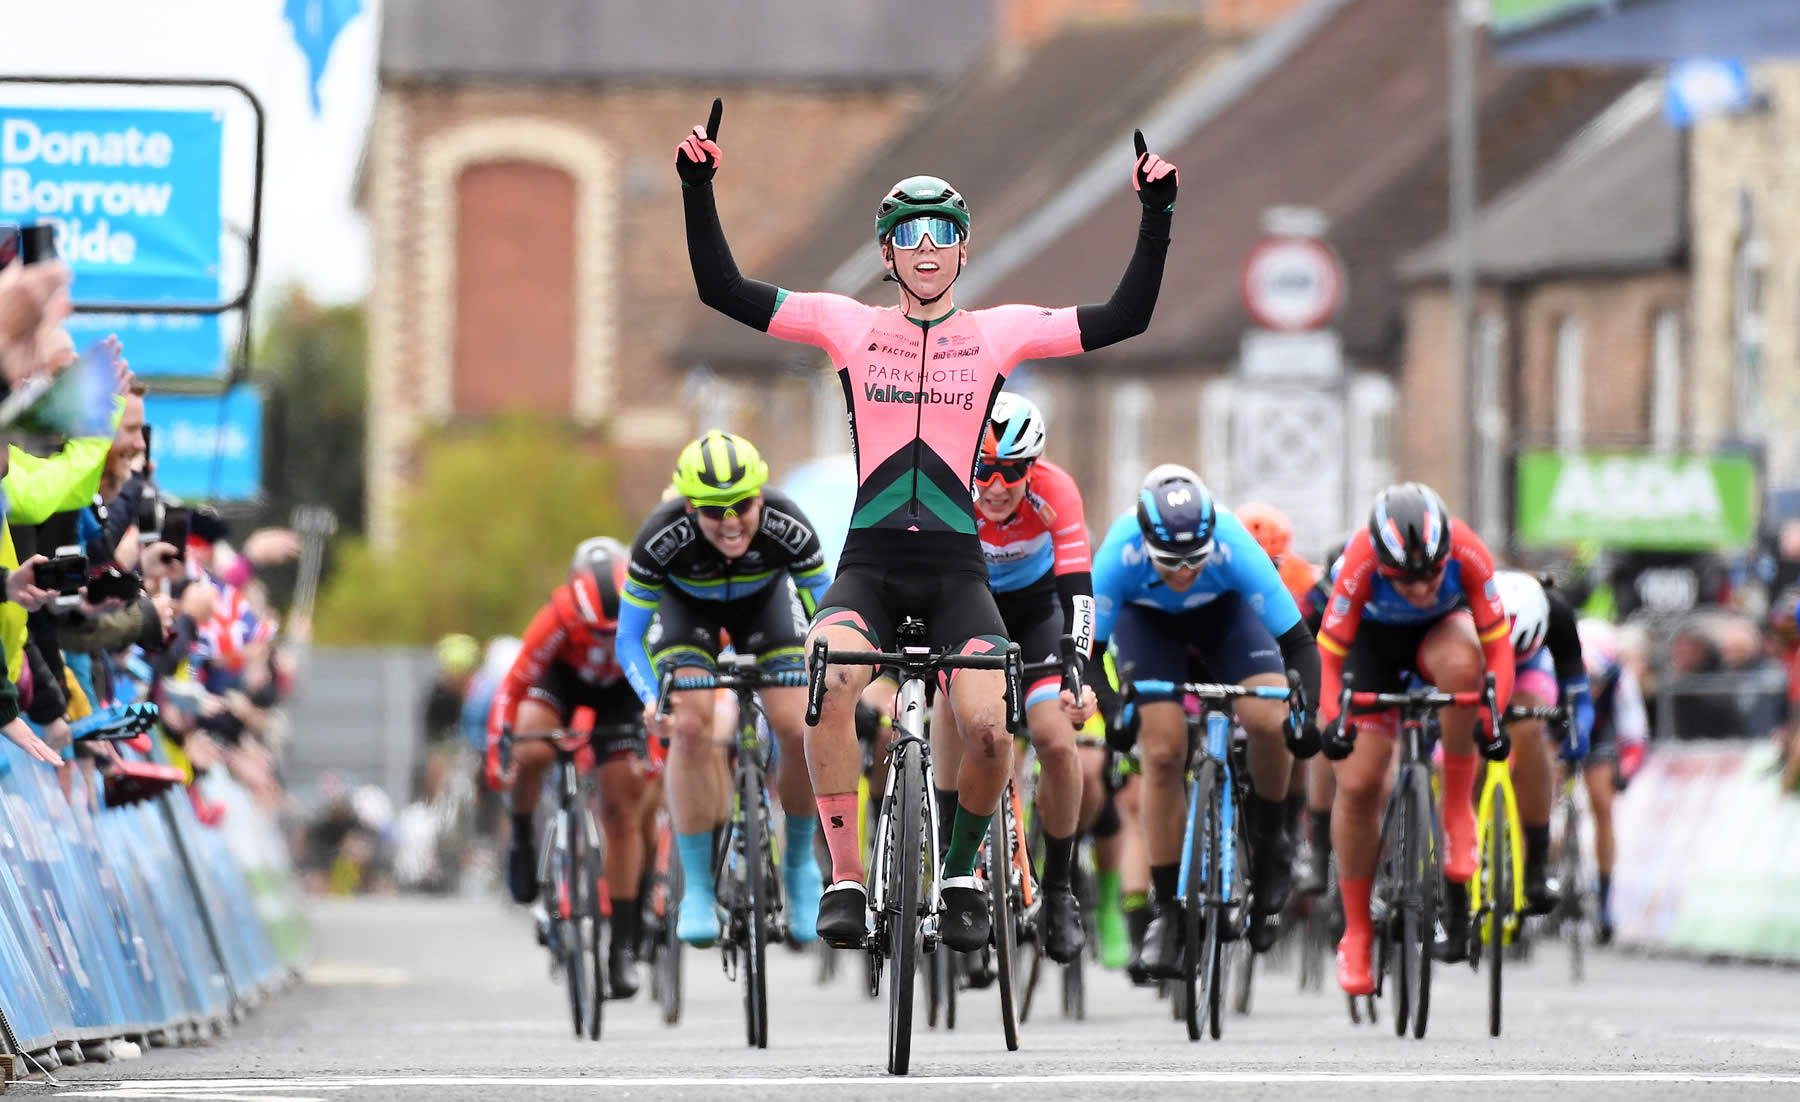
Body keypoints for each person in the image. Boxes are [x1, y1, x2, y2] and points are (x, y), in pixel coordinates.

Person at [678, 99, 1179, 951]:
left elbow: (1124, 316)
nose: (925, 250)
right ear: (886, 254)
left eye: (940, 233)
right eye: (908, 237)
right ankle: (840, 876)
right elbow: (723, 291)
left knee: (990, 728)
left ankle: (958, 869)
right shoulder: (847, 325)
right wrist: (698, 188)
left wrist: (1156, 214)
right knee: (824, 685)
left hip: (957, 574)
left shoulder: (997, 334)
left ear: (962, 248)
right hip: (869, 562)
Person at [1092, 465, 1322, 973]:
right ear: (1145, 539)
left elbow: (1299, 644)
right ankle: (1169, 914)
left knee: (1269, 717)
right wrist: (1114, 712)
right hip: (1147, 623)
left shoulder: (1235, 543)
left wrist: (1305, 716)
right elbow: (1089, 653)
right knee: (1162, 751)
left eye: (1195, 560)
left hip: (1226, 618)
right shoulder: (1117, 553)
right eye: (1169, 562)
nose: (1182, 573)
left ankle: (1269, 843)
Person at [616, 431, 832, 946]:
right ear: (689, 506)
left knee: (801, 724)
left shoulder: (788, 523)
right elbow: (627, 638)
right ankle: (695, 889)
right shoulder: (659, 535)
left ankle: (800, 865)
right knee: (690, 726)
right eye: (714, 510)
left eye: (743, 504)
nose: (731, 520)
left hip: (767, 607)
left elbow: (828, 614)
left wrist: (835, 677)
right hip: (687, 612)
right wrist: (653, 697)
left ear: (762, 494)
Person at [1315, 483, 1515, 996]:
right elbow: (1329, 660)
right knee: (1358, 784)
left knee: (1463, 663)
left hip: (1439, 639)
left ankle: (1455, 812)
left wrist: (1493, 718)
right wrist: (1335, 720)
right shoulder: (1358, 561)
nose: (1423, 588)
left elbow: (1498, 650)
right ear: (1382, 565)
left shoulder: (1468, 550)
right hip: (1371, 649)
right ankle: (1357, 931)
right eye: (1406, 581)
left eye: (1431, 575)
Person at [934, 392, 1097, 963]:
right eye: (985, 470)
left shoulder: (1056, 491)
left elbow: (1077, 585)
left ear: (1034, 467)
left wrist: (1079, 659)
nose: (998, 486)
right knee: (950, 707)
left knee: (1054, 740)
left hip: (1037, 612)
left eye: (1013, 471)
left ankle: (1058, 890)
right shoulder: (946, 490)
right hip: (966, 604)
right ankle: (954, 865)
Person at [485, 537, 648, 997]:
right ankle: (521, 833)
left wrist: (653, 749)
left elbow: (661, 693)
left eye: (612, 632)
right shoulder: (555, 618)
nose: (603, 640)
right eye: (594, 630)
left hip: (622, 695)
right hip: (561, 683)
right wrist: (500, 751)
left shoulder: (643, 615)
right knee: (531, 747)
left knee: (622, 808)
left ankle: (621, 949)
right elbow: (511, 690)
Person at [1492, 570, 1592, 916]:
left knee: (1530, 727)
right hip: (1477, 662)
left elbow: (1577, 691)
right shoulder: (1462, 605)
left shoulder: (1557, 612)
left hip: (1532, 672)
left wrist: (1577, 732)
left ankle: (1535, 863)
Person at [1575, 616, 1646, 944]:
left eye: (1598, 681)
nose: (1593, 689)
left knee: (1602, 805)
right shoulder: (1554, 668)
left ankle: (1604, 900)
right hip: (1559, 719)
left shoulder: (1621, 679)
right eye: (1586, 679)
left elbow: (1634, 733)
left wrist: (1625, 772)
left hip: (1598, 731)